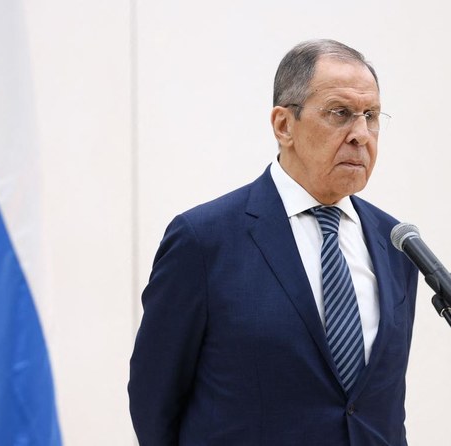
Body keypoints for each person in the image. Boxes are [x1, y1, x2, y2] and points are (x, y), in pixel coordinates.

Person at [128, 39, 419, 446]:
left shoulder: (396, 246)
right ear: (284, 125)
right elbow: (153, 400)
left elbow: (378, 407)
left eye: (370, 116)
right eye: (340, 113)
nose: (360, 135)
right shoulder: (203, 241)